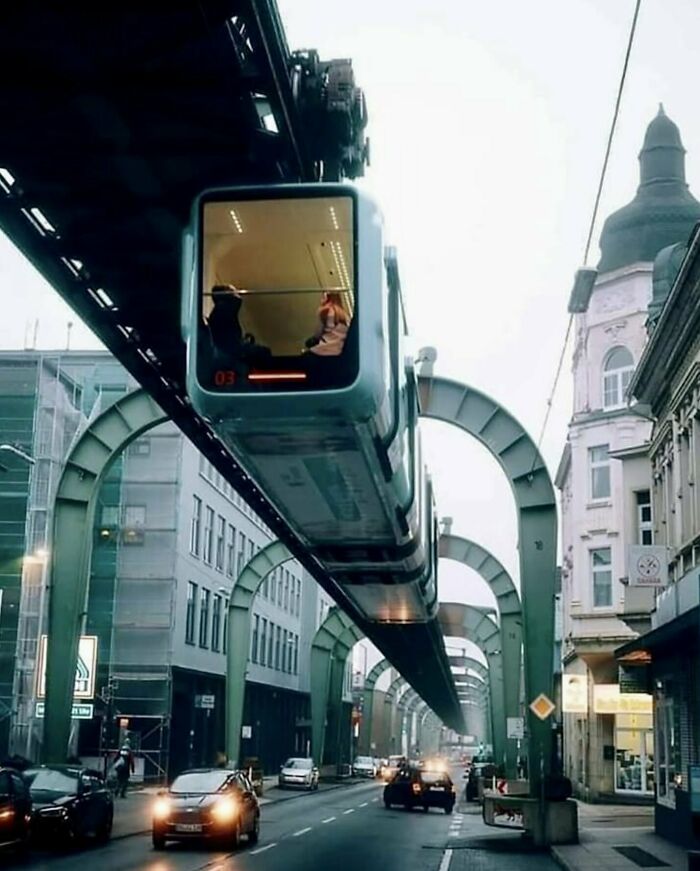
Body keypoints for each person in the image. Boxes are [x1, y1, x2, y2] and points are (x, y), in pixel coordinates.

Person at [305, 292, 349, 357]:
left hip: (325, 348)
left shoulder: (325, 311)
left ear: (327, 298)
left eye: (322, 297)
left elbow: (318, 333)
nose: (320, 300)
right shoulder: (345, 315)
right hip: (339, 349)